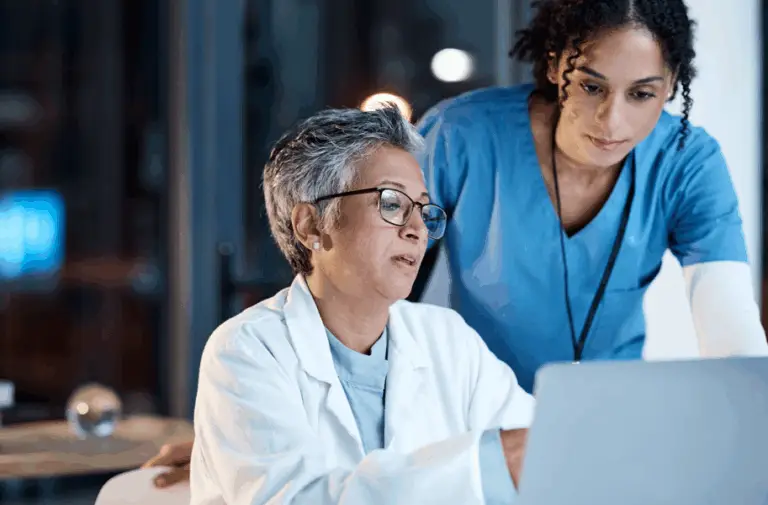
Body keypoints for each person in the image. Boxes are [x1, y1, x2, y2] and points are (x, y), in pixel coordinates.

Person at [145, 0, 768, 486]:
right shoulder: (466, 136)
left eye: (644, 94)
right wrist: (252, 428)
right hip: (460, 420)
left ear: (672, 86)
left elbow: (735, 343)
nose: (614, 123)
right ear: (555, 66)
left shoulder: (687, 163)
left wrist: (743, 434)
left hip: (584, 424)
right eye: (592, 87)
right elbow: (368, 270)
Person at [182, 105, 534, 504]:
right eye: (391, 203)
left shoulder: (448, 338)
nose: (417, 229)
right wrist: (481, 467)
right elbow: (296, 498)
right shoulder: (247, 350)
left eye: (424, 209)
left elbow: (542, 455)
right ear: (311, 225)